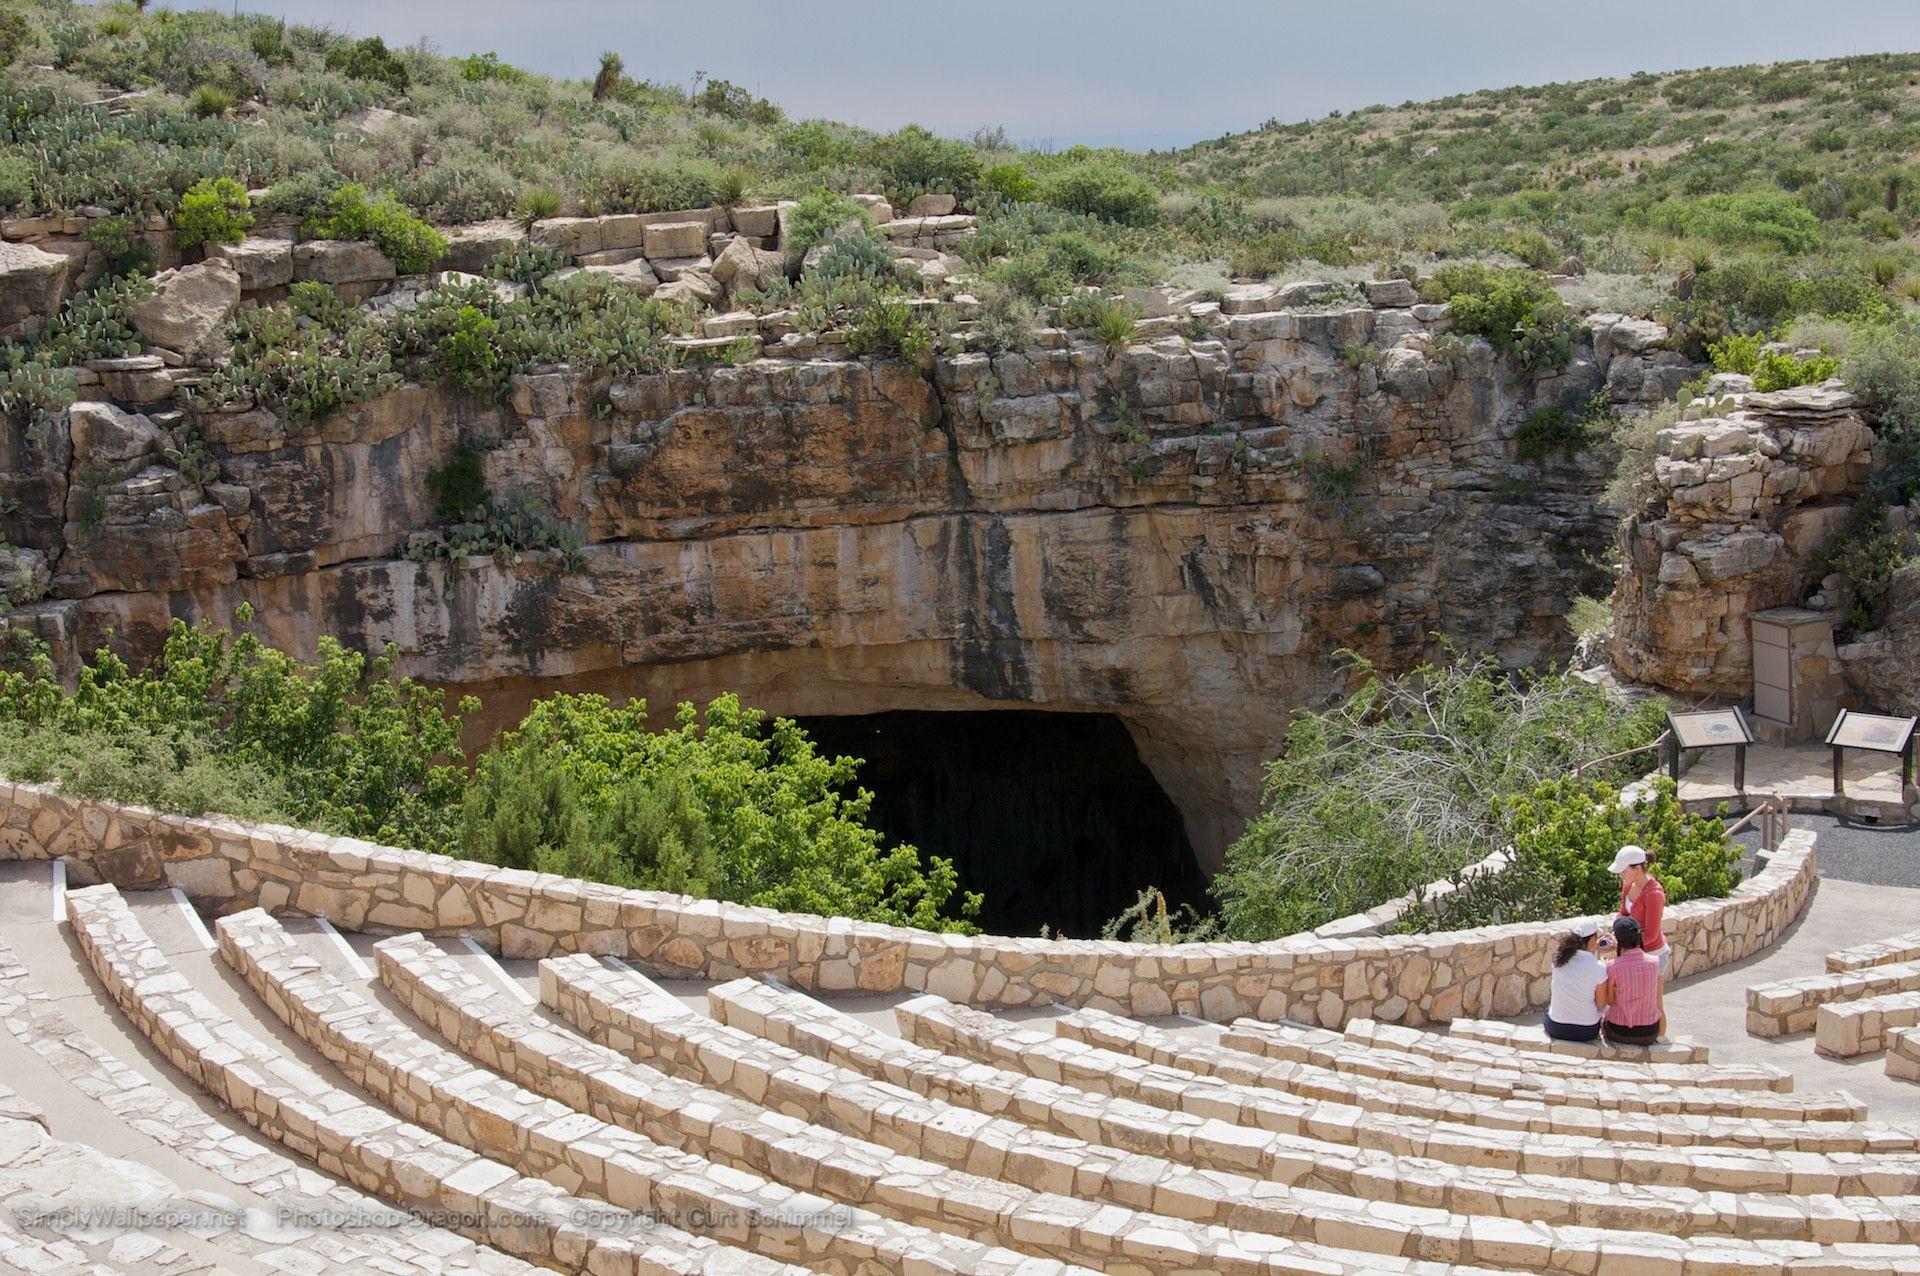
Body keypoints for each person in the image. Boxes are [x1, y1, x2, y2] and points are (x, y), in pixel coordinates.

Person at [1599, 915, 1664, 1046]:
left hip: (1619, 1031)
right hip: (1649, 1032)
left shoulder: (1612, 966)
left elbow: (1610, 1001)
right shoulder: (1655, 963)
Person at [1610, 844, 1670, 977]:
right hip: (1635, 953)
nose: (1620, 875)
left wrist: (1622, 943)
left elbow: (1651, 934)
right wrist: (1616, 932)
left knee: (1653, 998)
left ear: (1637, 869)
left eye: (1623, 871)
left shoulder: (1654, 894)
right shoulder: (1628, 885)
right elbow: (1623, 913)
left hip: (1653, 954)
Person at [1543, 918, 1607, 1042]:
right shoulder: (1599, 967)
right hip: (1587, 1030)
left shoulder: (1558, 960)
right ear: (1593, 939)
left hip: (1556, 1027)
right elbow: (1601, 1004)